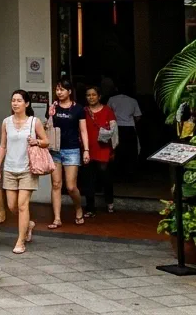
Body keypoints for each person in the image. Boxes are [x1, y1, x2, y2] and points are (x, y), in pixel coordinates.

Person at [0, 89, 48, 255]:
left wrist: (36, 141)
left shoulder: (34, 122)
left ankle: (20, 241)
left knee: (22, 205)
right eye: (13, 100)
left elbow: (46, 141)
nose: (15, 103)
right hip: (10, 168)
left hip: (27, 169)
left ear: (26, 103)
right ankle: (28, 224)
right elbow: (3, 146)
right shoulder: (6, 122)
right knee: (12, 206)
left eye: (19, 100)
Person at [47, 80, 89, 228]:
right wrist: (50, 115)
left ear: (70, 91)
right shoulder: (53, 106)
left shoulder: (78, 109)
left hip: (72, 149)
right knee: (56, 184)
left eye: (62, 89)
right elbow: (48, 127)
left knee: (71, 186)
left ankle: (78, 208)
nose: (59, 92)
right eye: (57, 89)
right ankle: (57, 218)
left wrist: (86, 150)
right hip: (55, 149)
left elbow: (83, 130)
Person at [83, 85, 116, 216]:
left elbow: (114, 131)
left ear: (99, 96)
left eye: (94, 95)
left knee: (105, 177)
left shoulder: (108, 110)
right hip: (87, 149)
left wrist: (113, 149)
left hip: (104, 149)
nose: (91, 97)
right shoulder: (83, 111)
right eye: (88, 95)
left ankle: (109, 201)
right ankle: (90, 207)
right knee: (88, 179)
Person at [107, 86, 143, 181]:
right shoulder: (133, 100)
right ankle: (130, 174)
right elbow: (138, 116)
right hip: (129, 128)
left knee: (117, 150)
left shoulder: (112, 99)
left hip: (116, 127)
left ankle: (117, 174)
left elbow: (107, 113)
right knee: (130, 151)